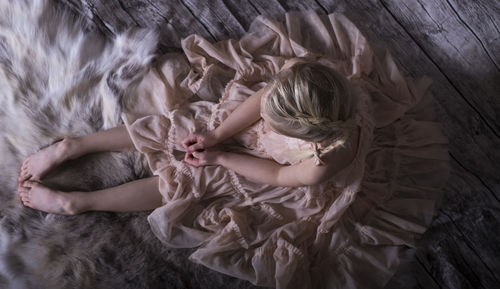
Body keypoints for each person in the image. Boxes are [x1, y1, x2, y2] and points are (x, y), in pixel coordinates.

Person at [17, 11, 449, 289]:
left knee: (191, 183)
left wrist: (222, 157)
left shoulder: (321, 162)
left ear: (308, 136)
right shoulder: (302, 78)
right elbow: (261, 101)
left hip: (276, 171)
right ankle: (74, 145)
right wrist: (218, 135)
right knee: (184, 126)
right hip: (269, 127)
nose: (266, 117)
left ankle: (80, 202)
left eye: (275, 123)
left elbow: (279, 176)